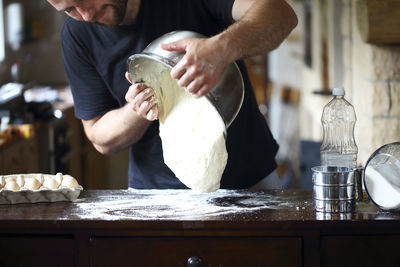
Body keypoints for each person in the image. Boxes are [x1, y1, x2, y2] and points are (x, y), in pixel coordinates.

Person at [46, 0, 298, 189]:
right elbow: (99, 136)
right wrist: (138, 110)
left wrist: (222, 48)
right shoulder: (77, 35)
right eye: (70, 9)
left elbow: (280, 15)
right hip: (155, 198)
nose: (86, 14)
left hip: (251, 183)